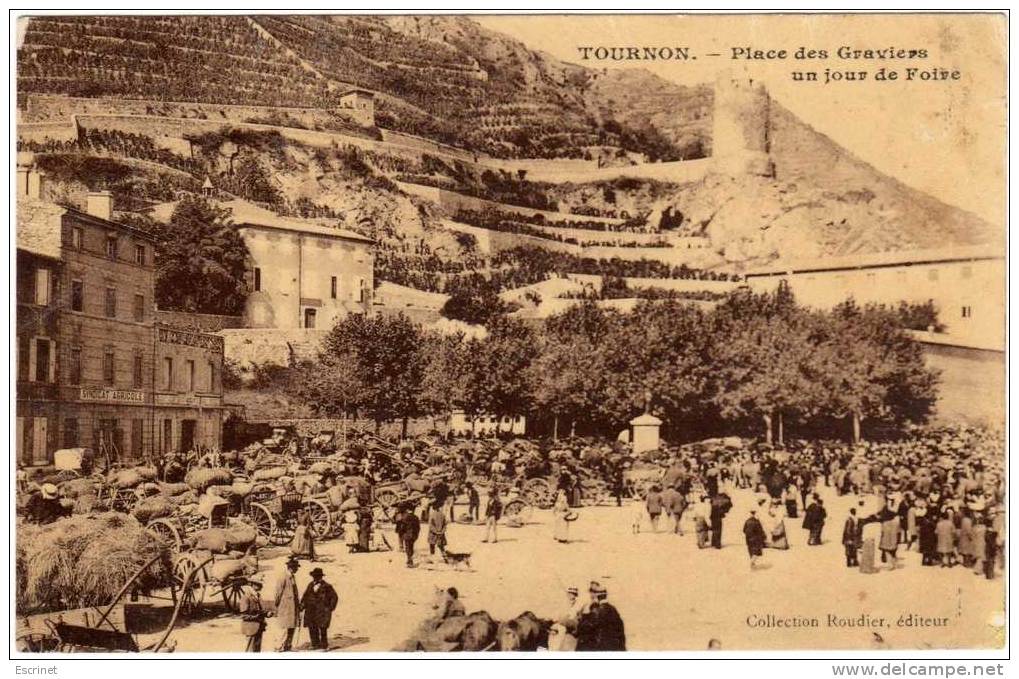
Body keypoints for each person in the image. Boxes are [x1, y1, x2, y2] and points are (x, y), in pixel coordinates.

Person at [575, 582, 626, 651]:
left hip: (601, 648)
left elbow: (585, 628)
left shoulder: (597, 611)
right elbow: (620, 630)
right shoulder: (613, 609)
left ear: (597, 597)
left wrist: (582, 618)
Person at [300, 567, 338, 650]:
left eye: (317, 576)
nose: (315, 578)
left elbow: (334, 597)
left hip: (322, 611)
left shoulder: (327, 586)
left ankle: (324, 645)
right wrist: (302, 605)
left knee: (322, 628)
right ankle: (314, 644)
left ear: (321, 577)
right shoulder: (310, 585)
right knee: (312, 627)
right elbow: (305, 596)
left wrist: (330, 608)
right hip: (311, 610)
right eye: (314, 576)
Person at [273, 557, 301, 652]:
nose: (297, 569)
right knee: (284, 628)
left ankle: (288, 645)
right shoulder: (283, 577)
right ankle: (278, 647)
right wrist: (277, 605)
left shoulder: (293, 577)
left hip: (293, 607)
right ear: (290, 567)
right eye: (296, 567)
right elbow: (278, 593)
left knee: (292, 626)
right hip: (285, 607)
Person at [239, 578, 269, 652]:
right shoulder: (246, 597)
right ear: (252, 585)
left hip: (259, 627)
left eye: (261, 584)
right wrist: (256, 617)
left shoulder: (258, 596)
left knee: (257, 650)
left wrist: (267, 614)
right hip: (251, 628)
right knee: (250, 650)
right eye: (258, 584)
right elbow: (243, 616)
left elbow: (261, 610)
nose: (261, 586)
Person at [394, 503, 421, 568]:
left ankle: (409, 561)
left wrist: (401, 533)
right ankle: (410, 559)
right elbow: (418, 527)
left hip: (407, 535)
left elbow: (402, 527)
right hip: (414, 535)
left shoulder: (404, 517)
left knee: (408, 547)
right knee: (411, 547)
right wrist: (416, 534)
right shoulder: (416, 517)